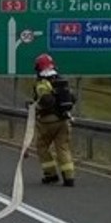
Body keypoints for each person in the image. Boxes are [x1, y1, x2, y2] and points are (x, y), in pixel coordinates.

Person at [31, 53, 76, 187]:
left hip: (47, 121)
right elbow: (72, 98)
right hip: (64, 120)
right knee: (63, 148)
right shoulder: (61, 81)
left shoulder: (42, 83)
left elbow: (46, 101)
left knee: (42, 146)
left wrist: (35, 105)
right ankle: (69, 177)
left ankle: (50, 174)